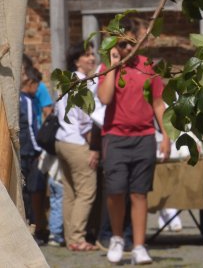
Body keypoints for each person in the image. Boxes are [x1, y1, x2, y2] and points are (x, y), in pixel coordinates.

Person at [97, 17, 170, 265]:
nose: (129, 48)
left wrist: (166, 135)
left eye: (132, 43)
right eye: (123, 44)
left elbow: (158, 103)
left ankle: (139, 246)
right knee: (115, 191)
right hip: (115, 137)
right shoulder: (107, 67)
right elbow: (105, 98)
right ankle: (117, 237)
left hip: (144, 137)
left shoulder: (148, 67)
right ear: (114, 44)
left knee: (140, 193)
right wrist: (112, 66)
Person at [55, 43, 101, 252]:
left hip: (62, 139)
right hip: (77, 141)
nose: (91, 58)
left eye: (92, 54)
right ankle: (77, 238)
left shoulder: (66, 80)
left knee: (70, 192)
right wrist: (94, 147)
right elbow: (85, 120)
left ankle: (70, 238)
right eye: (86, 55)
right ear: (76, 60)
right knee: (86, 191)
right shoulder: (83, 83)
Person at [19, 63, 48, 242]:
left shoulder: (19, 100)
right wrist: (39, 148)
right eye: (37, 85)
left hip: (22, 150)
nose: (38, 90)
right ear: (30, 83)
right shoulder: (28, 102)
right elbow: (30, 128)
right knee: (30, 193)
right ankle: (30, 229)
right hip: (29, 152)